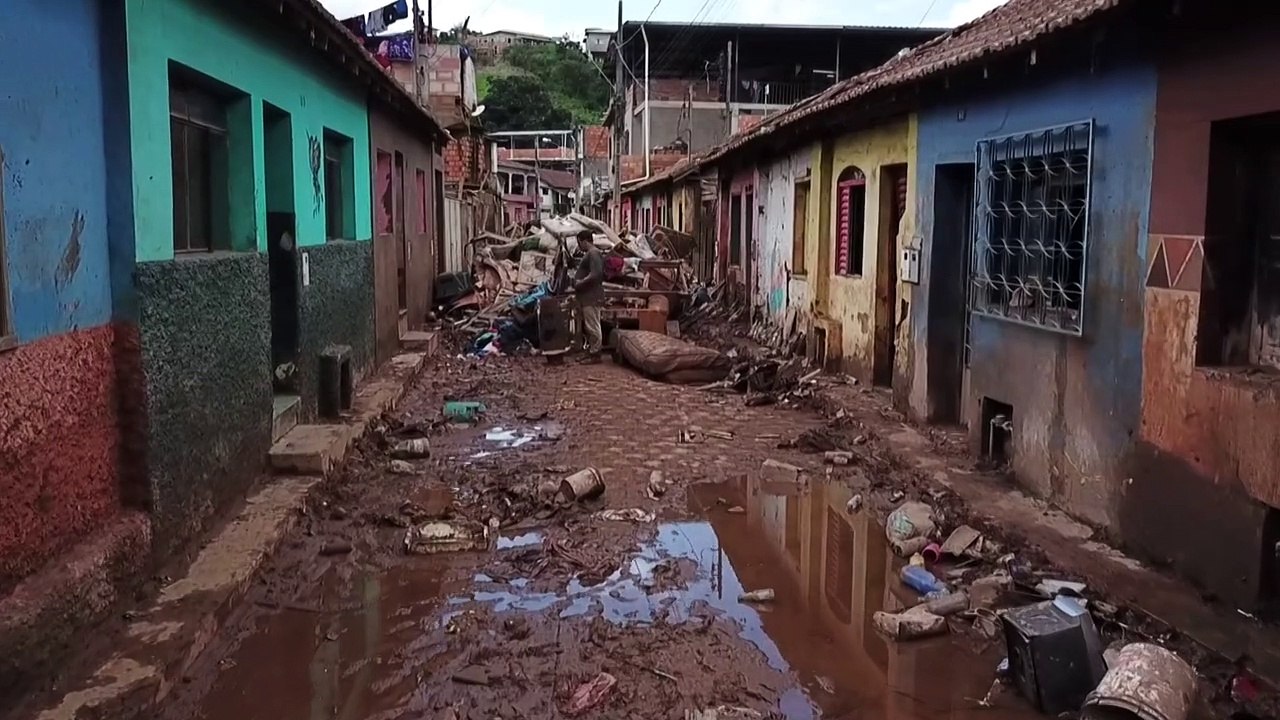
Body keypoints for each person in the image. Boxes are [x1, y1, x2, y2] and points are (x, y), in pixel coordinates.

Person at [572, 229, 604, 360]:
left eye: (579, 243)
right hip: (588, 296)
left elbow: (596, 275)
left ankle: (595, 353)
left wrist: (579, 283)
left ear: (583, 241)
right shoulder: (591, 253)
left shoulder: (593, 253)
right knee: (590, 325)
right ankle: (592, 350)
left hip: (591, 296)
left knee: (593, 325)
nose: (579, 246)